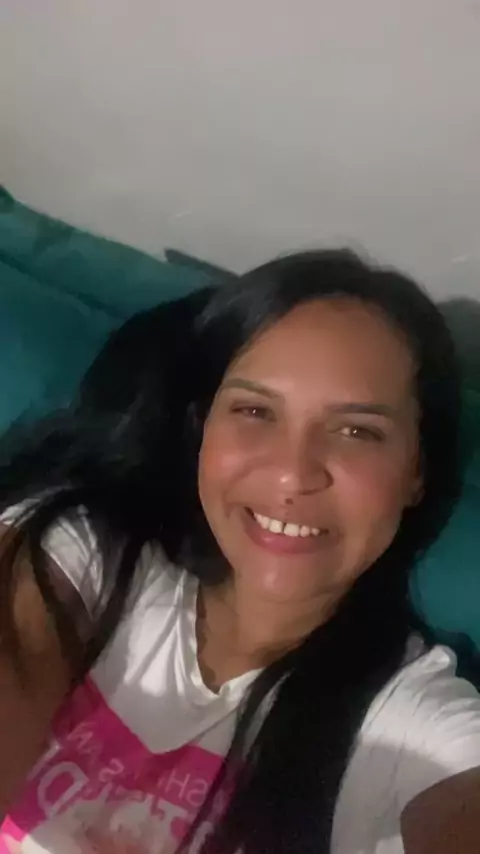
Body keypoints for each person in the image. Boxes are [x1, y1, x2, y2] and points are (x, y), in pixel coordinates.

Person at [0, 249, 479, 854]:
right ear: (202, 431)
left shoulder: (417, 726)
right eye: (254, 411)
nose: (293, 474)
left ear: (417, 472)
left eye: (358, 431)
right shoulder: (87, 555)